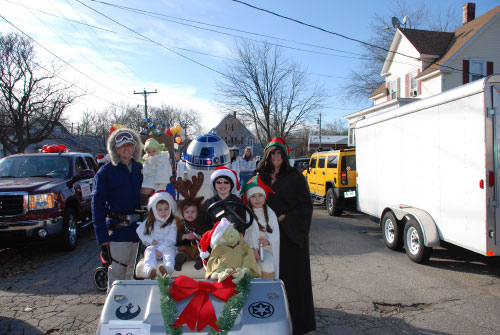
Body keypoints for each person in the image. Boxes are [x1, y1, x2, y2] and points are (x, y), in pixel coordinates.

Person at [256, 137, 316, 335]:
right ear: (267, 155)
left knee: (292, 280)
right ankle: (266, 322)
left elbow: (306, 206)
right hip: (265, 235)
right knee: (267, 274)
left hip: (290, 236)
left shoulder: (296, 177)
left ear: (285, 156)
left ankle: (298, 324)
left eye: (279, 153)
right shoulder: (260, 175)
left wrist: (286, 219)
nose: (276, 157)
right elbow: (250, 198)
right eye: (273, 153)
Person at [92, 127, 143, 292]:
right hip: (119, 231)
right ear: (115, 148)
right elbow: (97, 205)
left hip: (141, 230)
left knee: (137, 274)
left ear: (135, 147)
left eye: (130, 144)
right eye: (122, 146)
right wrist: (102, 235)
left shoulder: (142, 170)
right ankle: (113, 314)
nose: (126, 148)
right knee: (118, 274)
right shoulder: (105, 173)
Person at [241, 174, 280, 279]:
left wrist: (267, 241)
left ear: (264, 197)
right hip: (247, 248)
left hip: (266, 249)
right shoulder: (245, 213)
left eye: (260, 195)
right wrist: (252, 248)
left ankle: (268, 291)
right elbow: (243, 234)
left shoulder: (270, 213)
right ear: (249, 199)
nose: (257, 199)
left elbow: (275, 234)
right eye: (253, 196)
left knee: (268, 265)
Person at [136, 191, 177, 279]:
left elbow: (171, 239)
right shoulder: (151, 221)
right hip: (154, 245)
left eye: (166, 209)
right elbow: (139, 230)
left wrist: (161, 249)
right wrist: (151, 241)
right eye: (160, 209)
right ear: (154, 209)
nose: (163, 212)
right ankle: (149, 270)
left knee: (169, 253)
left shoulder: (172, 222)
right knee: (149, 251)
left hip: (167, 245)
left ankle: (167, 269)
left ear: (170, 209)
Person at [200, 166, 245, 235]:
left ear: (231, 185)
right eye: (219, 182)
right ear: (214, 185)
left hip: (234, 238)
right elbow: (202, 224)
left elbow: (243, 224)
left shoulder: (238, 203)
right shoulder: (208, 203)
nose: (222, 185)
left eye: (226, 182)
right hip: (214, 239)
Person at [174, 198, 205, 271]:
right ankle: (180, 260)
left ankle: (199, 261)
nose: (190, 214)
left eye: (193, 212)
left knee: (201, 251)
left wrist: (200, 237)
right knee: (183, 251)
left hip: (198, 246)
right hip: (186, 246)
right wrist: (184, 236)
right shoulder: (182, 224)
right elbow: (176, 235)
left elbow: (206, 234)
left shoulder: (201, 224)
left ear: (198, 212)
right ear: (183, 214)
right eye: (187, 212)